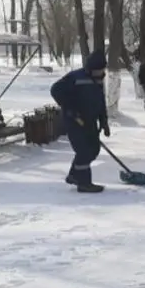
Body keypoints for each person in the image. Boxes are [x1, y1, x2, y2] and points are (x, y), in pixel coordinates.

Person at [50, 49, 110, 193]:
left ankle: (74, 175)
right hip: (75, 121)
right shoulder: (76, 77)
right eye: (97, 70)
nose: (100, 72)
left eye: (102, 69)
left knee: (94, 149)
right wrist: (69, 108)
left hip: (90, 121)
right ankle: (84, 183)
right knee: (84, 151)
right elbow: (55, 90)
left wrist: (104, 121)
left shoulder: (99, 79)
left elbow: (100, 102)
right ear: (90, 68)